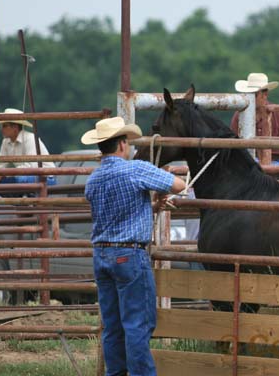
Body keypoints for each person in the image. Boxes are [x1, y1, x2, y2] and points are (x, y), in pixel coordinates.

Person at [81, 116, 186, 376]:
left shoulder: (93, 180)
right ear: (121, 145)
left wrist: (150, 207)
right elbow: (178, 185)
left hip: (102, 254)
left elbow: (114, 214)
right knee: (138, 324)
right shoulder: (135, 169)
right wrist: (162, 187)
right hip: (129, 255)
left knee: (113, 325)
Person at [230, 73, 279, 194]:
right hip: (251, 164)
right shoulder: (239, 116)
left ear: (265, 95)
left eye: (253, 95)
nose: (250, 98)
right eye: (248, 94)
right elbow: (233, 147)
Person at [0, 108, 56, 185]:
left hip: (47, 177)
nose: (1, 129)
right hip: (25, 176)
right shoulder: (5, 142)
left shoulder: (30, 138)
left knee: (17, 180)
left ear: (15, 127)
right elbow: (0, 165)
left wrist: (6, 174)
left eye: (5, 126)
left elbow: (32, 166)